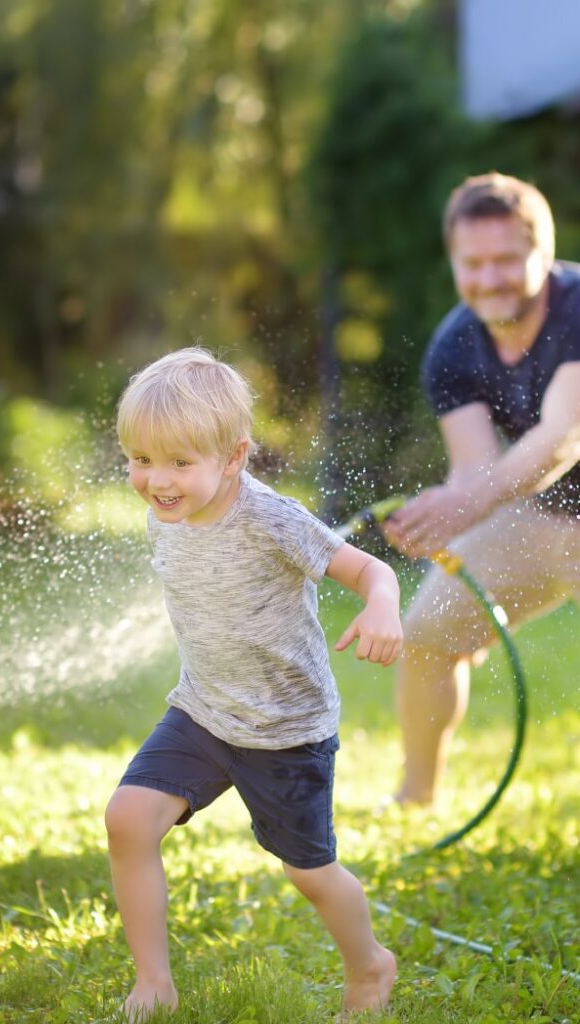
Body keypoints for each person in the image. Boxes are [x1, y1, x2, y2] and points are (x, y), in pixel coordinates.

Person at [105, 347, 403, 1022]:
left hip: (285, 731)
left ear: (234, 457)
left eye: (180, 463)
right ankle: (154, 981)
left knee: (309, 873)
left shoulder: (271, 518)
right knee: (127, 820)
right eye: (140, 459)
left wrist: (381, 607)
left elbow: (370, 574)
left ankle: (370, 966)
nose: (157, 480)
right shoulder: (166, 508)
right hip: (204, 713)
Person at [382, 172, 580, 806]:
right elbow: (474, 470)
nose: (488, 278)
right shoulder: (453, 346)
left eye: (505, 260)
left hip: (552, 486)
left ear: (543, 254)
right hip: (545, 517)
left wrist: (469, 503)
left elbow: (564, 436)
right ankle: (415, 798)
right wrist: (438, 519)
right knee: (429, 634)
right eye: (473, 263)